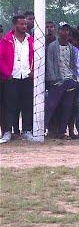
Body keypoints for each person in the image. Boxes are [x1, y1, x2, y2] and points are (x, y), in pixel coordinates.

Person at [44, 22, 79, 137]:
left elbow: (73, 64)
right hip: (57, 81)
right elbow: (50, 64)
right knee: (51, 106)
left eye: (66, 30)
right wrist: (53, 79)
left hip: (69, 80)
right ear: (58, 31)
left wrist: (75, 79)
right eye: (62, 30)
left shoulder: (71, 48)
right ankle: (42, 129)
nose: (64, 32)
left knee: (67, 107)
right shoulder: (52, 47)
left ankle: (62, 132)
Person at [0, 15, 35, 143]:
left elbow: (36, 57)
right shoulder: (6, 40)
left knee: (27, 106)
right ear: (15, 25)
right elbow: (1, 58)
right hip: (12, 78)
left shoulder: (31, 40)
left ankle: (27, 131)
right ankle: (7, 132)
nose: (24, 26)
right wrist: (7, 73)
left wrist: (33, 70)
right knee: (10, 107)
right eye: (21, 24)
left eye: (25, 24)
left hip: (26, 77)